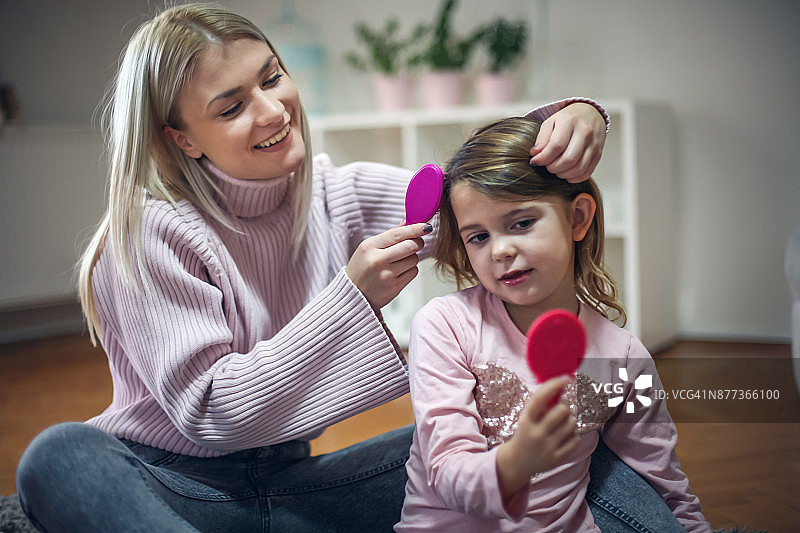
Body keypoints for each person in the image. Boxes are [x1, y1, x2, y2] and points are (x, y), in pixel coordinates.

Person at [15, 3, 619, 532]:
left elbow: (475, 197)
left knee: (546, 437)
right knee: (58, 456)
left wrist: (574, 115)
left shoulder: (339, 194)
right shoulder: (152, 234)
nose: (274, 110)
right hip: (172, 491)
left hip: (298, 492)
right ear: (183, 140)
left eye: (272, 78)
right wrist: (350, 297)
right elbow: (209, 413)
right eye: (231, 108)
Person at [396, 116, 711, 532]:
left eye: (522, 223)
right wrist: (518, 460)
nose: (502, 250)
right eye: (479, 237)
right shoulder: (445, 325)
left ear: (577, 218)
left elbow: (663, 482)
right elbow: (448, 477)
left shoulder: (624, 356)